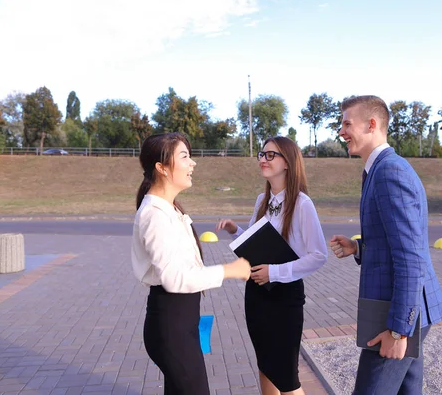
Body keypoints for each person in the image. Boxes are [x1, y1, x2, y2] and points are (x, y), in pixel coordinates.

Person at [330, 96, 442, 395]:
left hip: (398, 314)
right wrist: (358, 247)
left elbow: (411, 258)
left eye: (347, 123)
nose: (341, 131)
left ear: (371, 124)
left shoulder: (389, 172)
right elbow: (393, 241)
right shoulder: (377, 170)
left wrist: (398, 330)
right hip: (407, 308)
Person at [131, 132, 251, 395]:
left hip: (181, 322)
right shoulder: (155, 215)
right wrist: (229, 270)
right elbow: (175, 279)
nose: (192, 163)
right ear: (161, 168)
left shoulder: (169, 209)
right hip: (171, 326)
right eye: (184, 156)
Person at [216, 136, 328, 395]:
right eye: (261, 154)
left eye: (271, 155)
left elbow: (318, 255)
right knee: (265, 367)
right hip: (256, 295)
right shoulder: (261, 200)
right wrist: (236, 231)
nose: (263, 160)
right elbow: (259, 242)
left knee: (286, 377)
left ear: (287, 162)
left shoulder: (302, 204)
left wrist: (275, 272)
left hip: (284, 297)